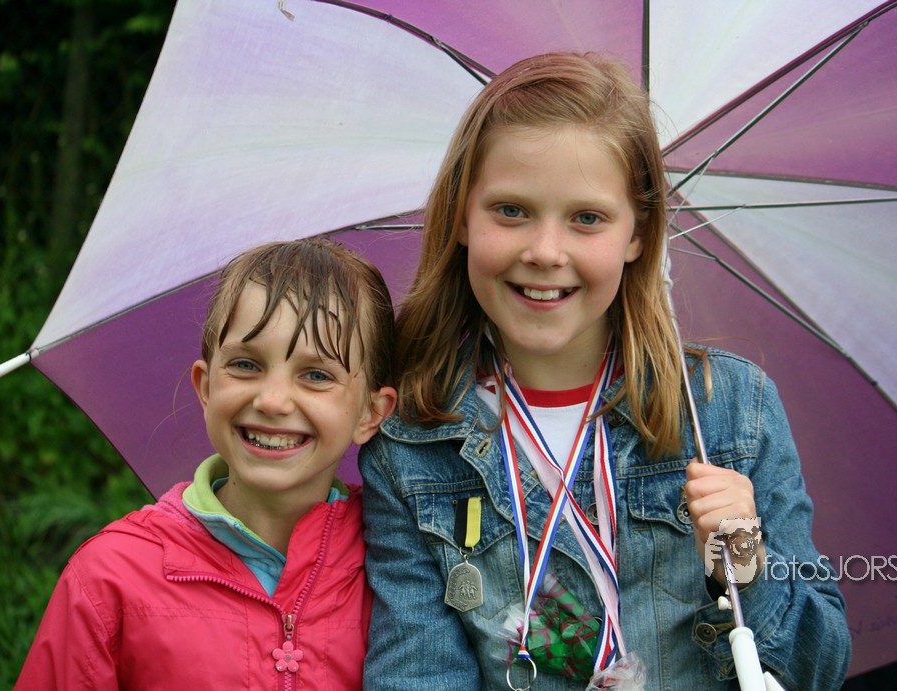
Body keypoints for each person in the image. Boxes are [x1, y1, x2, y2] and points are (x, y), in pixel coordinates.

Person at [359, 52, 851, 690]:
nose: (545, 251)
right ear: (461, 217)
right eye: (511, 210)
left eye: (587, 218)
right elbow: (418, 675)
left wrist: (745, 563)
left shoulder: (730, 411)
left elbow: (820, 667)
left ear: (638, 234)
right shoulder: (410, 444)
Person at [16, 237, 397, 690]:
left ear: (371, 413)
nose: (272, 401)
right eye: (246, 365)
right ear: (206, 386)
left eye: (316, 375)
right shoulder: (110, 577)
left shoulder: (403, 564)